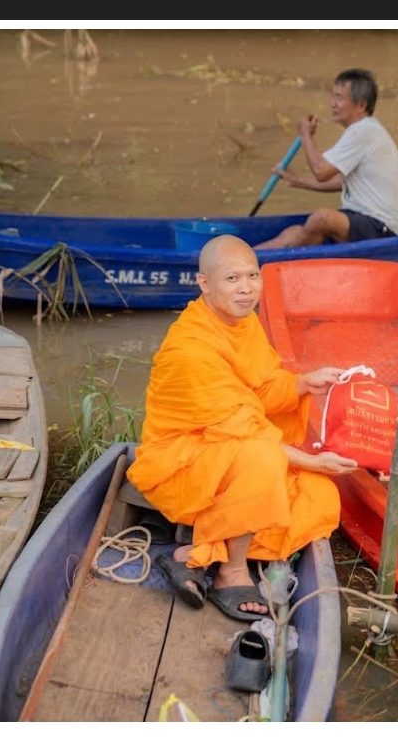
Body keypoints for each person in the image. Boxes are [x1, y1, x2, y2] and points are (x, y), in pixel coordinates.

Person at [127, 234, 359, 621]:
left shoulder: (242, 322)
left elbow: (262, 388)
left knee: (316, 495)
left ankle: (194, 556)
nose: (247, 288)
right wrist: (310, 460)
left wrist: (302, 382)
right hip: (181, 460)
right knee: (267, 459)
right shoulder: (190, 347)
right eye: (233, 279)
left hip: (231, 448)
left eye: (253, 275)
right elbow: (245, 431)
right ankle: (230, 572)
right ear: (204, 284)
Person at [253, 68, 398, 250]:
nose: (332, 104)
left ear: (361, 105)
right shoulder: (362, 131)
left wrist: (306, 136)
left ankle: (293, 255)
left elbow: (321, 172)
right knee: (294, 232)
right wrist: (296, 181)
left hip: (381, 228)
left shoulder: (362, 131)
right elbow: (340, 183)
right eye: (333, 97)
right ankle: (247, 258)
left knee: (321, 218)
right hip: (359, 219)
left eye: (339, 98)